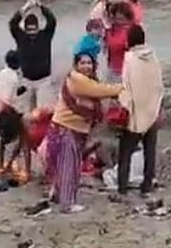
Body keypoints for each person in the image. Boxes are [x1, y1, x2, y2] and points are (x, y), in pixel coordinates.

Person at [46, 53, 123, 213]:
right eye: (83, 63)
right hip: (65, 129)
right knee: (69, 168)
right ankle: (67, 204)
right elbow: (100, 91)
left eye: (89, 63)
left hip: (72, 130)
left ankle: (57, 194)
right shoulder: (77, 80)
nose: (87, 66)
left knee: (67, 166)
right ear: (76, 65)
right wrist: (123, 88)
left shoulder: (87, 81)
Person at [116, 24, 164, 198]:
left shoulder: (129, 58)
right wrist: (159, 108)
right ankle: (147, 185)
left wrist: (123, 105)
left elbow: (126, 86)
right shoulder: (153, 57)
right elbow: (159, 85)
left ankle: (122, 188)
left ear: (129, 40)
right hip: (152, 109)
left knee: (125, 152)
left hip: (135, 112)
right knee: (149, 151)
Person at [9, 0, 57, 111]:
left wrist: (41, 7)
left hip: (44, 80)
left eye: (33, 29)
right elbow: (13, 23)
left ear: (38, 27)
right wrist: (25, 8)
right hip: (26, 81)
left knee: (44, 111)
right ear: (25, 29)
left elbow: (52, 21)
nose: (31, 32)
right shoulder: (21, 37)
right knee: (27, 112)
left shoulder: (45, 35)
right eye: (29, 29)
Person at [104, 1, 134, 82]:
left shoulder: (132, 31)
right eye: (117, 18)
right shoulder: (109, 31)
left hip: (127, 70)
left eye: (121, 19)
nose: (119, 21)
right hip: (112, 69)